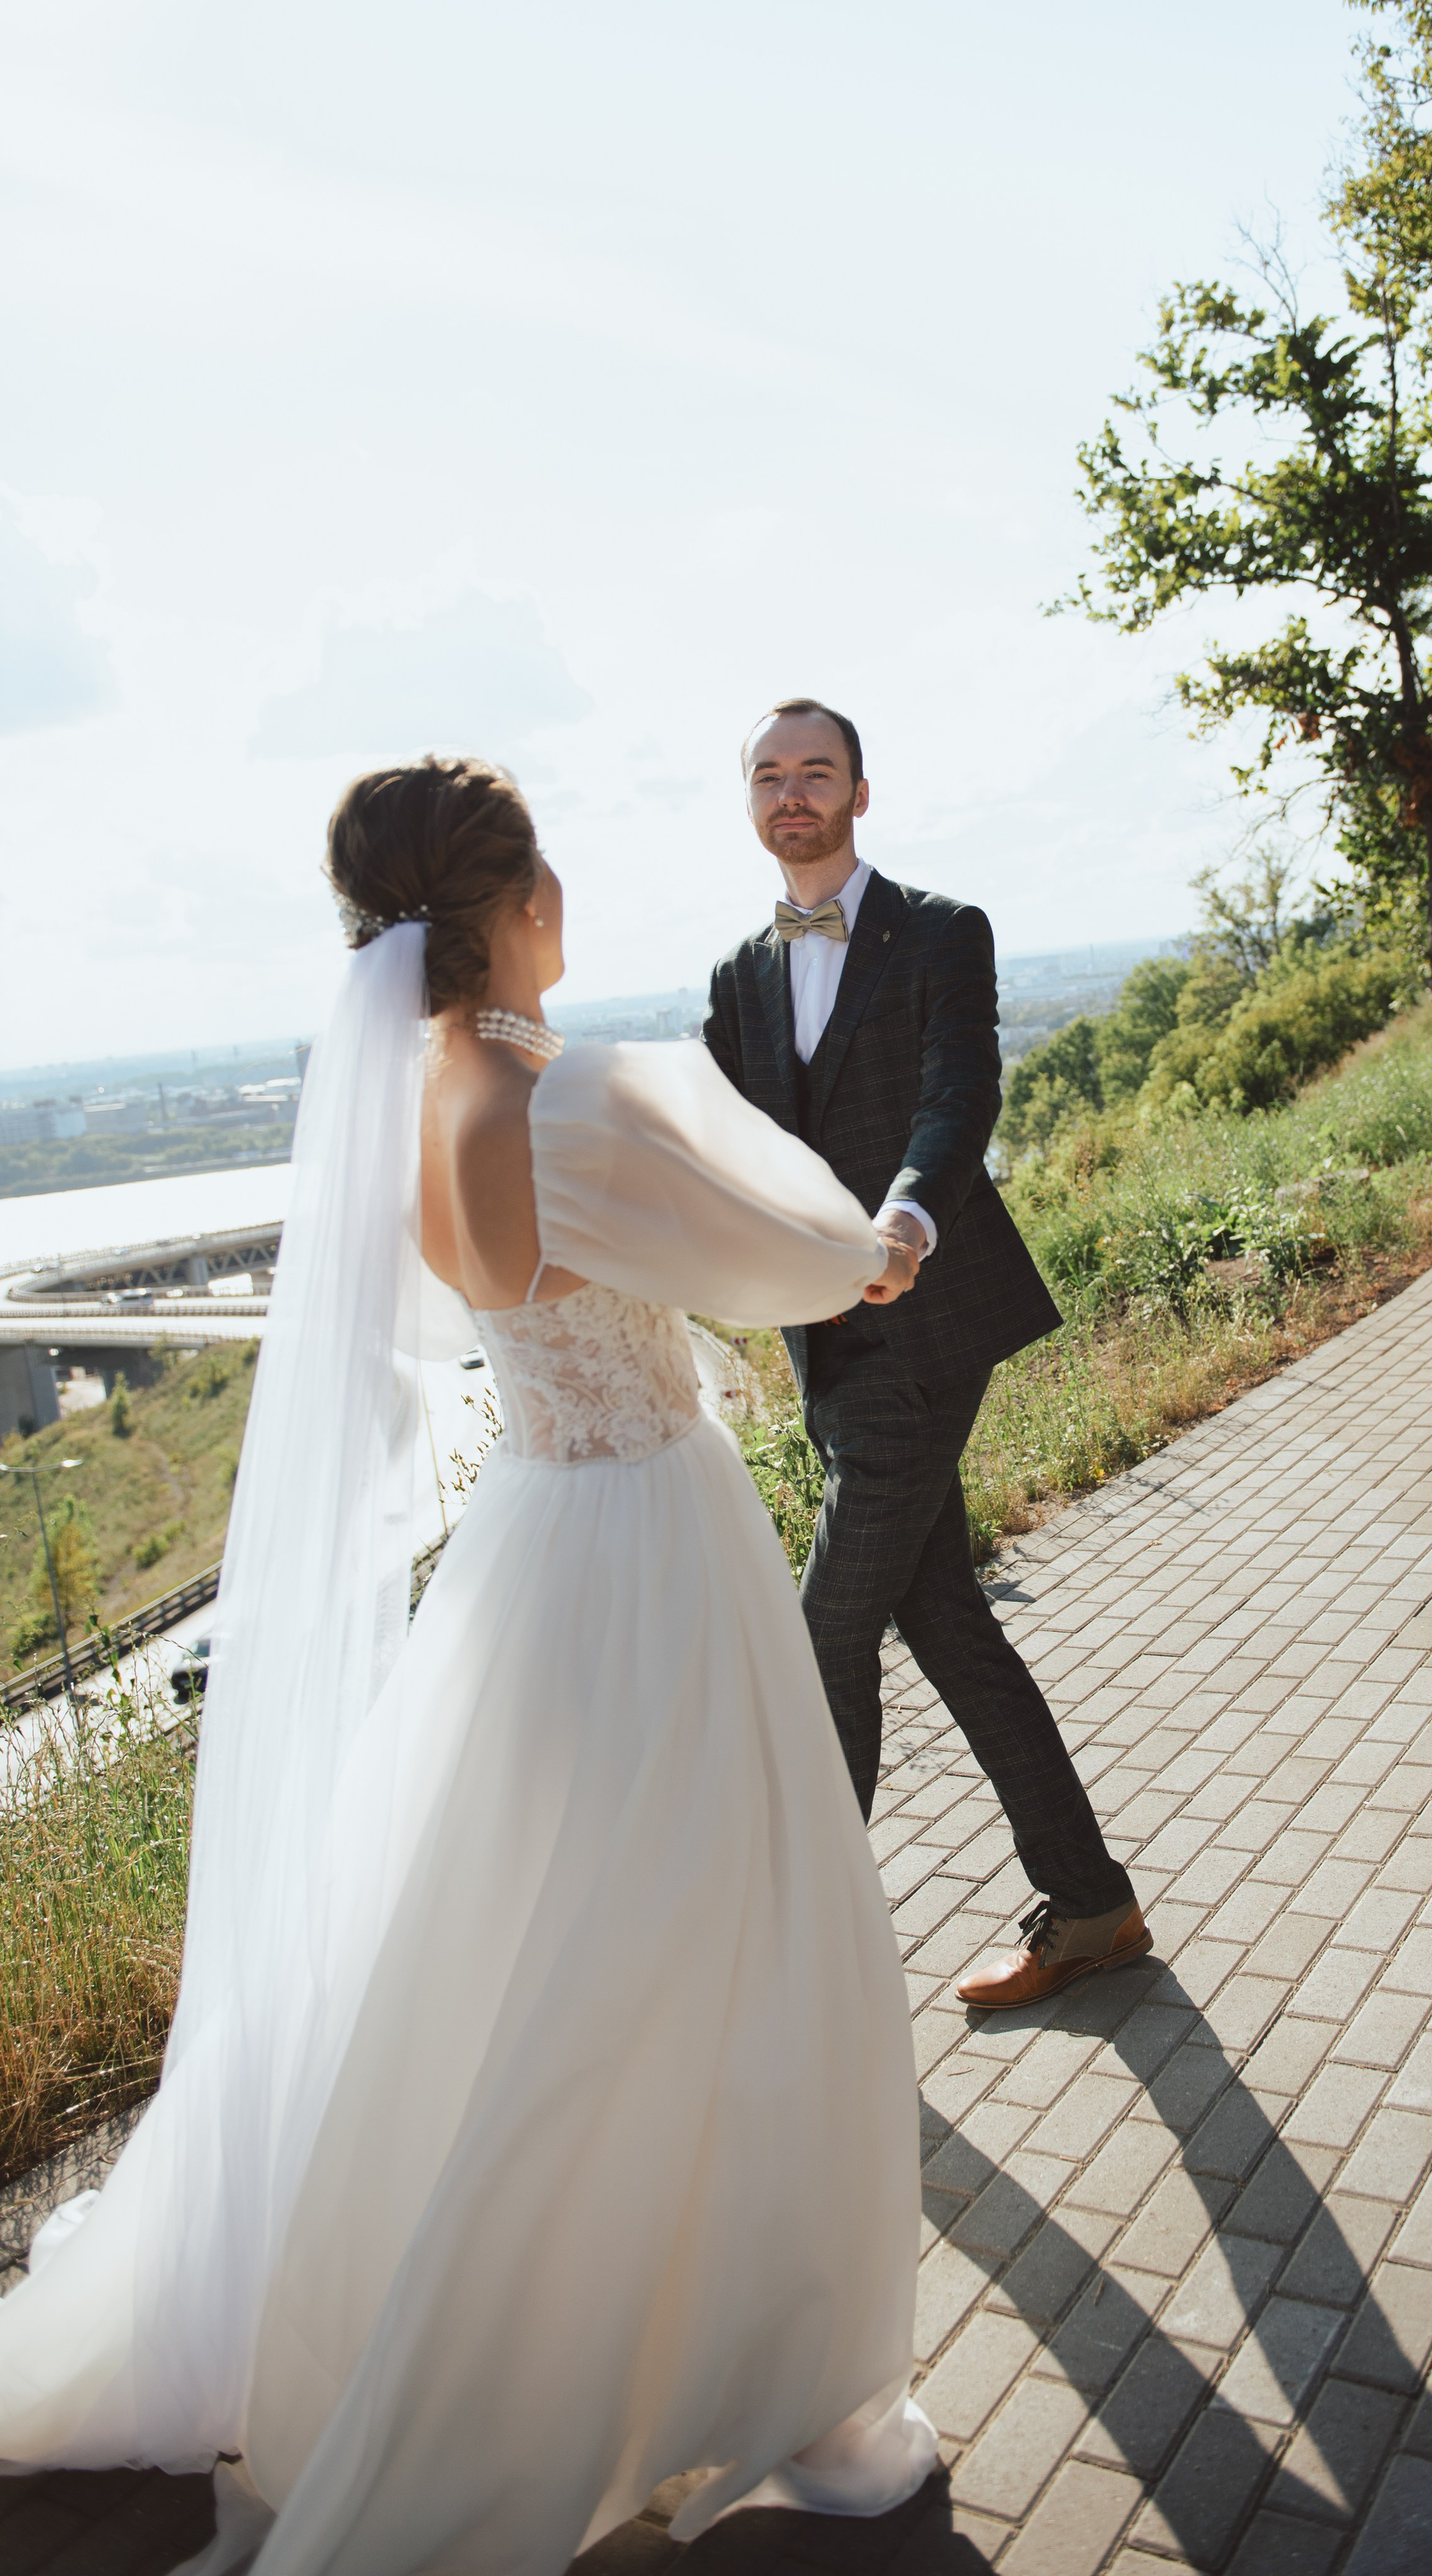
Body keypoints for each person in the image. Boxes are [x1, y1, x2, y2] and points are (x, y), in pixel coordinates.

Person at [0, 755, 937, 2571]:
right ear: (509, 907)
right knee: (724, 1934)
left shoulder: (422, 1099)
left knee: (513, 1941)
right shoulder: (574, 1097)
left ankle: (569, 2335)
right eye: (550, 871)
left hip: (526, 1545)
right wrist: (885, 1239)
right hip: (658, 1545)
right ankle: (739, 2367)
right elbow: (804, 1261)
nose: (567, 893)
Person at [702, 698, 1150, 2012]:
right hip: (825, 1346)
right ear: (750, 801)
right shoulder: (738, 976)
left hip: (928, 1320)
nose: (795, 795)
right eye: (771, 777)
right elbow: (721, 1144)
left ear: (859, 790)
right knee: (943, 1618)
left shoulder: (942, 930)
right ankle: (1092, 1908)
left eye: (817, 773)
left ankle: (814, 1967)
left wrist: (906, 1216)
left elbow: (962, 1094)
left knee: (825, 1627)